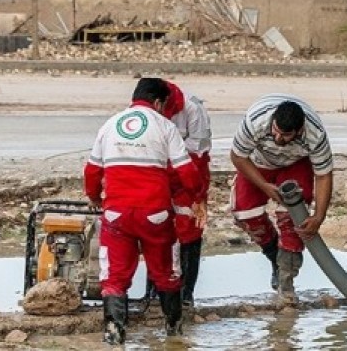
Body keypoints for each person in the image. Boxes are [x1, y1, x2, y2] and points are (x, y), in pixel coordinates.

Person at [84, 77, 204, 345]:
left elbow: (92, 171)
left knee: (115, 276)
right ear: (159, 103)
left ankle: (114, 331)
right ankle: (173, 332)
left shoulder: (110, 124)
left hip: (116, 214)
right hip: (156, 215)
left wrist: (94, 197)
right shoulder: (165, 126)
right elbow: (187, 171)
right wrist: (195, 198)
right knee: (166, 273)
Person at [229, 93, 333, 300]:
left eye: (286, 136)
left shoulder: (316, 135)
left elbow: (324, 176)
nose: (278, 139)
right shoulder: (255, 121)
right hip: (257, 163)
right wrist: (265, 186)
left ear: (300, 131)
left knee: (294, 222)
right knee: (245, 214)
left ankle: (286, 286)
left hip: (295, 163)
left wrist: (319, 217)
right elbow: (237, 156)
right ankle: (275, 256)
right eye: (275, 132)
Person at [161, 80, 211, 306]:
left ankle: (186, 293)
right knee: (158, 226)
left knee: (190, 228)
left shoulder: (193, 109)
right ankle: (158, 290)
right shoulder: (147, 107)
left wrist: (199, 196)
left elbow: (198, 153)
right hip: (160, 170)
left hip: (190, 170)